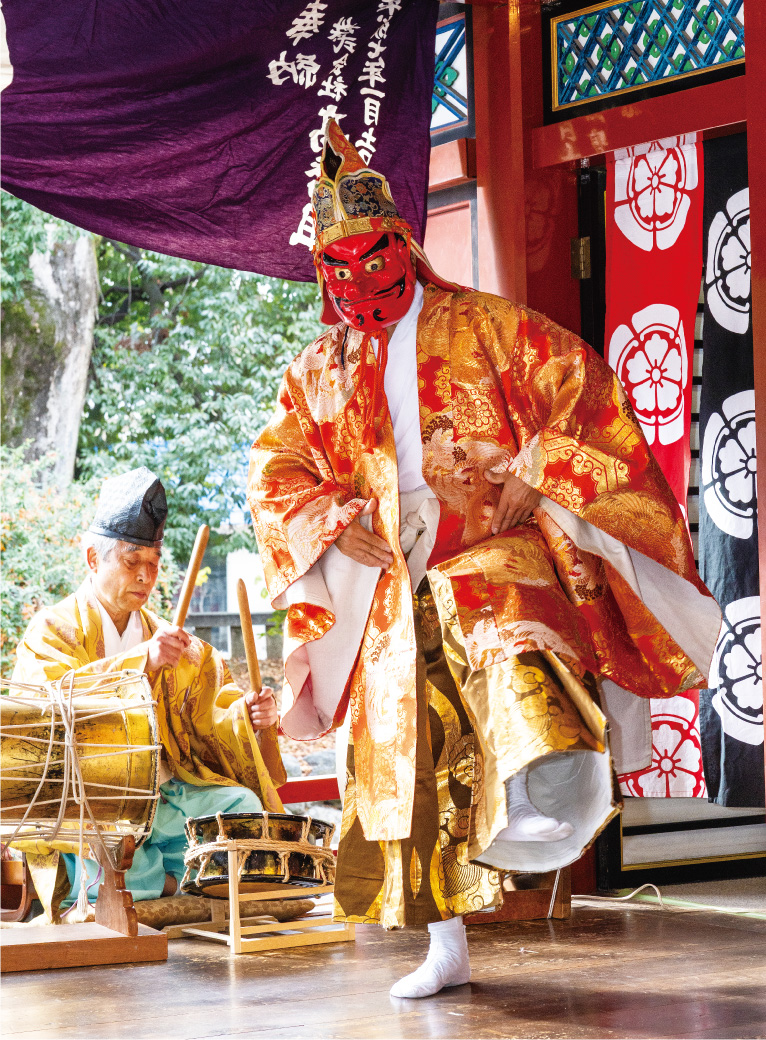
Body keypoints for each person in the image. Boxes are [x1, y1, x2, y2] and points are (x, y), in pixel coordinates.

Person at [247, 121, 721, 998]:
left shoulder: (493, 326)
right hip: (387, 567)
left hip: (489, 544)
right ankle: (445, 941)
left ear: (404, 245)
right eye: (338, 266)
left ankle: (550, 805)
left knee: (518, 659)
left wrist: (536, 481)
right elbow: (275, 469)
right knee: (408, 752)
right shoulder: (315, 370)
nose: (360, 279)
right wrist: (324, 513)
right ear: (322, 273)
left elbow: (588, 403)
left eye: (373, 256)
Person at [12, 467, 285, 917]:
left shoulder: (171, 641)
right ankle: (172, 883)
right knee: (101, 836)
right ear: (93, 559)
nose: (145, 576)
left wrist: (249, 716)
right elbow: (52, 704)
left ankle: (162, 883)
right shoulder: (53, 631)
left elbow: (213, 714)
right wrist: (141, 662)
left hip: (168, 794)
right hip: (95, 794)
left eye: (153, 565)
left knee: (241, 807)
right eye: (131, 561)